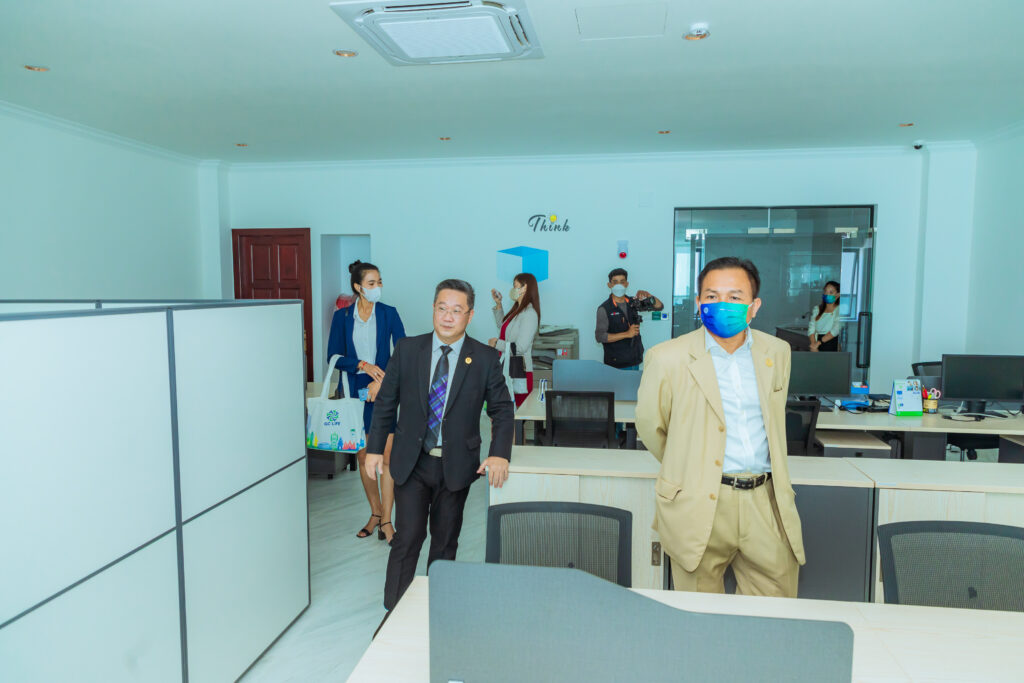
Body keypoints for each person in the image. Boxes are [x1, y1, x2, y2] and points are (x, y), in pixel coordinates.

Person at [635, 257, 805, 597]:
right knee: (700, 616)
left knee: (775, 610)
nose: (721, 304)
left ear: (754, 306)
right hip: (697, 500)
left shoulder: (778, 352)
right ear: (699, 303)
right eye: (712, 296)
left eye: (734, 296)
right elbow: (652, 427)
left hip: (765, 500)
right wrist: (689, 465)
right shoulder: (666, 357)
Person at [366, 278, 514, 611]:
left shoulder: (485, 358)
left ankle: (437, 615)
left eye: (456, 311)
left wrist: (499, 454)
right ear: (433, 309)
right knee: (407, 539)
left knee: (445, 544)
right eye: (442, 308)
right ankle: (393, 617)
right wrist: (374, 449)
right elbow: (386, 402)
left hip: (456, 466)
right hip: (412, 462)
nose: (448, 317)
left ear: (470, 315)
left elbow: (503, 409)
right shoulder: (408, 349)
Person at [326, 260, 406, 544]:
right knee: (363, 456)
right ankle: (375, 513)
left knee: (386, 457)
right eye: (372, 283)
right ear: (358, 287)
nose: (377, 287)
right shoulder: (342, 317)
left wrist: (382, 381)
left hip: (384, 391)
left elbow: (403, 352)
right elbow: (333, 356)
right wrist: (361, 364)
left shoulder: (388, 313)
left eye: (379, 281)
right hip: (354, 392)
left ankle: (387, 520)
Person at [595, 267, 663, 370]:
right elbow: (600, 336)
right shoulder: (604, 309)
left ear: (626, 284)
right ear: (609, 285)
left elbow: (659, 306)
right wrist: (627, 334)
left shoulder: (633, 302)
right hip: (616, 363)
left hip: (635, 359)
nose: (619, 285)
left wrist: (649, 296)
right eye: (615, 282)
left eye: (622, 282)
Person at [489, 273, 541, 408]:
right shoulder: (517, 310)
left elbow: (521, 347)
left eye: (515, 286)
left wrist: (497, 344)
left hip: (519, 371)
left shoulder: (529, 314)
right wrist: (498, 304)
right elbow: (503, 328)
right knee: (505, 411)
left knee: (517, 413)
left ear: (525, 287)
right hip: (507, 367)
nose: (513, 289)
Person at [807, 280, 842, 352]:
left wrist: (819, 342)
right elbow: (811, 328)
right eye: (825, 291)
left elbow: (836, 329)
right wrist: (813, 344)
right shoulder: (817, 309)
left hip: (831, 343)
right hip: (817, 344)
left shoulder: (839, 309)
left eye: (831, 292)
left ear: (838, 295)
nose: (827, 294)